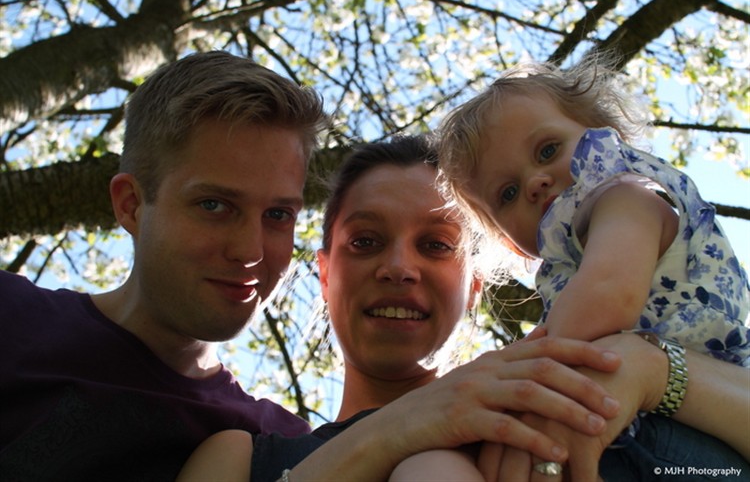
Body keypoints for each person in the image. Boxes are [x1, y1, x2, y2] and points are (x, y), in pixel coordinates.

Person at [177, 137, 749, 482]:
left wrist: (652, 369)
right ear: (324, 273)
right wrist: (389, 435)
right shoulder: (242, 456)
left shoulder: (548, 400)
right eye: (365, 241)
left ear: (473, 285)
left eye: (435, 245)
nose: (398, 268)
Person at [388, 56, 750, 480]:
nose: (534, 182)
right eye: (507, 193)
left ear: (602, 132)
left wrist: (520, 376)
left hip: (676, 434)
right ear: (508, 240)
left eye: (547, 150)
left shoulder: (624, 198)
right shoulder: (573, 254)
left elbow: (609, 295)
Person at [0, 50, 328, 479]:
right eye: (214, 205)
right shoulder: (11, 318)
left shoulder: (279, 447)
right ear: (131, 205)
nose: (251, 251)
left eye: (278, 215)